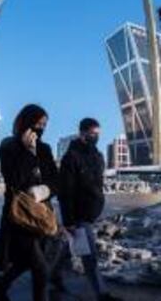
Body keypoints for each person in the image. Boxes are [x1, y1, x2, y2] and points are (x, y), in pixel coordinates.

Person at [0, 104, 59, 301]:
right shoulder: (9, 145)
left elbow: (55, 180)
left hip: (41, 214)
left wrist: (44, 190)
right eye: (37, 123)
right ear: (26, 122)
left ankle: (1, 286)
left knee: (25, 261)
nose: (41, 128)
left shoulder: (45, 149)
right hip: (19, 215)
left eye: (44, 124)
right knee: (41, 269)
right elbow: (14, 180)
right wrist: (28, 153)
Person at [58, 118, 122, 301]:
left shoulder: (97, 156)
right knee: (89, 255)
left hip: (91, 211)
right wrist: (68, 220)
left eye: (98, 134)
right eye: (92, 134)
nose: (96, 137)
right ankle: (101, 294)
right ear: (82, 133)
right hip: (78, 213)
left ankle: (51, 273)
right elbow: (66, 192)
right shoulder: (71, 158)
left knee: (69, 247)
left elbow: (97, 185)